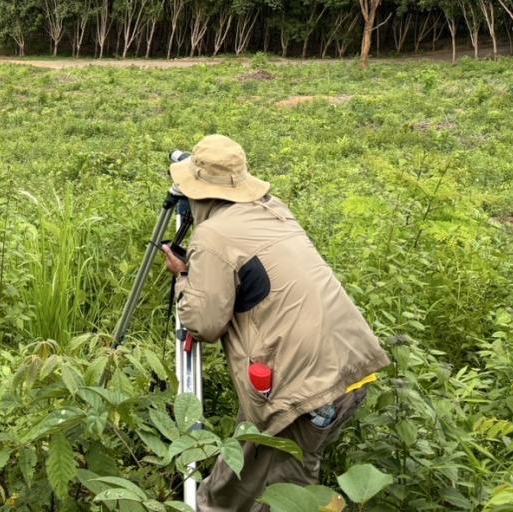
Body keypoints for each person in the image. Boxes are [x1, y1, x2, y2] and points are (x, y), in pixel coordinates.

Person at [159, 134, 389, 511]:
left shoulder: (213, 235)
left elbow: (204, 324)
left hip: (303, 390)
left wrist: (185, 277)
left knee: (264, 497)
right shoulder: (272, 208)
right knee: (270, 475)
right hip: (348, 369)